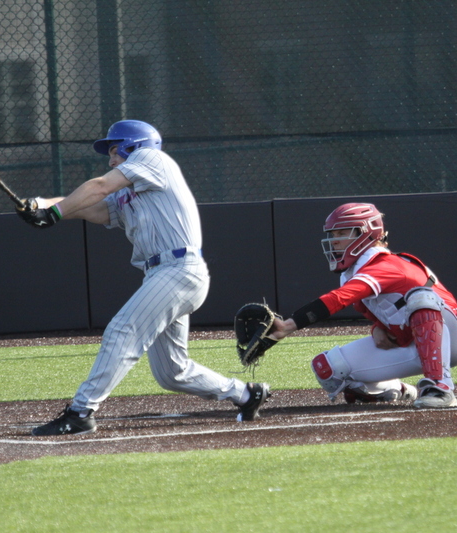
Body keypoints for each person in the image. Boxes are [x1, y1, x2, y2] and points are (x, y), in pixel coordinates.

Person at [16, 119, 270, 435]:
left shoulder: (152, 159)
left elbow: (98, 187)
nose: (110, 159)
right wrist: (42, 204)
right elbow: (93, 208)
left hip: (179, 269)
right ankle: (246, 395)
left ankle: (81, 412)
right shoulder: (131, 192)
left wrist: (52, 214)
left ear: (133, 146)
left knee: (122, 330)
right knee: (172, 373)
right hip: (162, 276)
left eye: (113, 150)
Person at [269, 202, 457, 408]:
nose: (334, 241)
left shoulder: (387, 265)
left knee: (421, 298)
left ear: (365, 233)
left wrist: (288, 326)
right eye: (332, 235)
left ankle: (441, 387)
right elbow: (390, 311)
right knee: (328, 369)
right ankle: (394, 390)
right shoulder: (357, 270)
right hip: (414, 340)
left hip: (453, 337)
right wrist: (378, 327)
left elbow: (339, 299)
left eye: (341, 233)